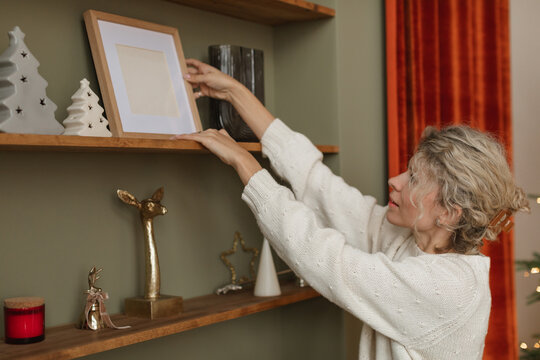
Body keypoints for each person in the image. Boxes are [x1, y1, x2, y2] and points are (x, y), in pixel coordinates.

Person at [175, 58, 530, 359]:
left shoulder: (449, 287)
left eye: (415, 179)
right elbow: (322, 187)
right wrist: (236, 93)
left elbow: (328, 261)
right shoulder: (409, 242)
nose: (395, 180)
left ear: (450, 212)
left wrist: (244, 164)